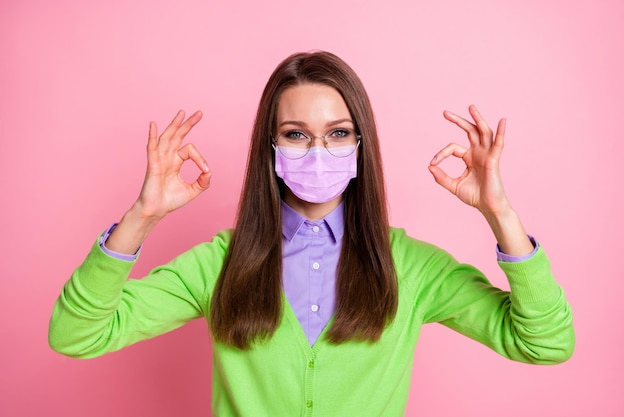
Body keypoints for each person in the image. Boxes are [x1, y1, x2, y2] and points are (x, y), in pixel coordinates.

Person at [49, 51, 575, 416]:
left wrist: (500, 212)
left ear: (360, 145)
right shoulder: (219, 264)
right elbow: (76, 334)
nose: (317, 151)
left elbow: (546, 343)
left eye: (338, 133)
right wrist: (141, 215)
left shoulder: (410, 267)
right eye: (296, 134)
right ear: (270, 149)